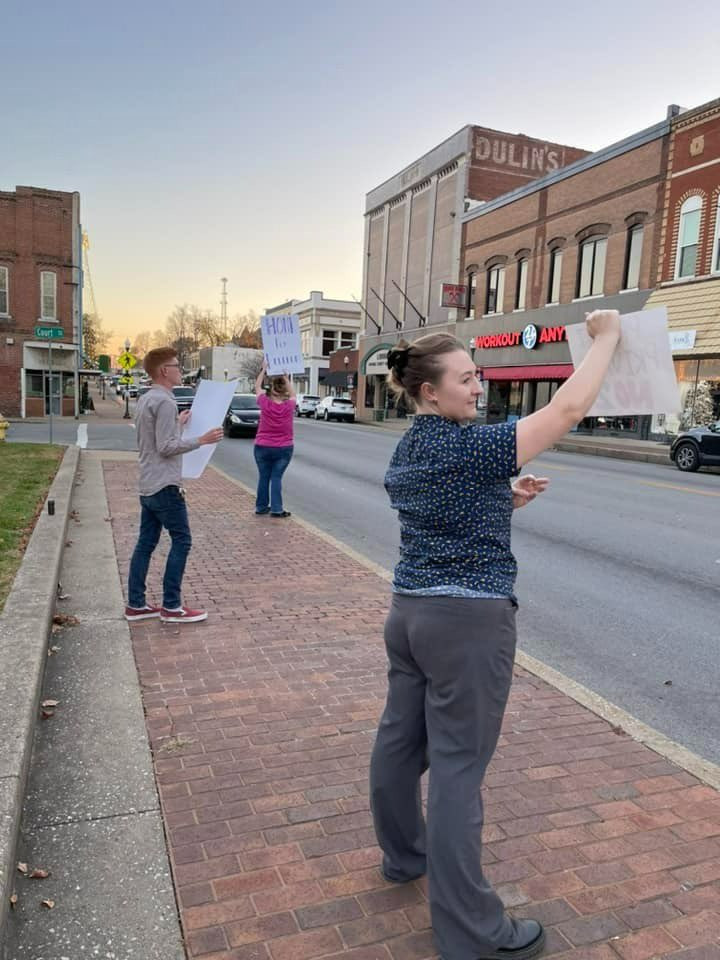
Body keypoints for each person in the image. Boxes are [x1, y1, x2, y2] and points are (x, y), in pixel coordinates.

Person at [370, 310, 621, 960]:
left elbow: (436, 509)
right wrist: (608, 340)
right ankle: (471, 932)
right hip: (468, 621)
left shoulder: (413, 446)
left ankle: (404, 857)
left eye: (477, 376)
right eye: (465, 379)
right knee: (458, 765)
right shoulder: (473, 445)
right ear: (429, 390)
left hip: (409, 613)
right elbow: (565, 411)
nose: (478, 388)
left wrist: (501, 500)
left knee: (400, 740)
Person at [125, 347, 223, 624]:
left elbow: (154, 440)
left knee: (145, 544)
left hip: (147, 483)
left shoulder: (146, 399)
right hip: (166, 485)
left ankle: (136, 604)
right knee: (182, 540)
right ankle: (171, 606)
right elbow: (166, 447)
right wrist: (201, 440)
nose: (181, 370)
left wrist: (178, 425)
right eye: (177, 366)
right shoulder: (166, 402)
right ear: (163, 371)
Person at [253, 361, 296, 518]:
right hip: (283, 448)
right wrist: (286, 377)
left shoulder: (264, 402)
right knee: (276, 477)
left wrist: (263, 370)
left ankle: (261, 506)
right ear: (283, 390)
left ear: (271, 390)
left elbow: (257, 387)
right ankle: (277, 509)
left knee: (264, 477)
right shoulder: (289, 406)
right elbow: (293, 394)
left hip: (262, 446)